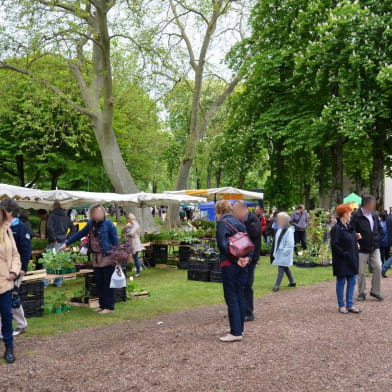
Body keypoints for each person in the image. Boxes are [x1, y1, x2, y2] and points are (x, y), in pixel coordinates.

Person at [59, 204, 118, 314]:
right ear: (92, 214)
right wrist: (66, 243)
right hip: (96, 257)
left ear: (103, 213)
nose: (98, 214)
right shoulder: (91, 224)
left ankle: (109, 307)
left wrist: (117, 256)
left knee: (107, 283)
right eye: (96, 213)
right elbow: (80, 233)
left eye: (100, 212)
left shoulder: (109, 224)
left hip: (107, 257)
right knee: (99, 283)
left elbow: (115, 241)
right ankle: (102, 305)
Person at [216, 200, 251, 343]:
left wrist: (235, 259)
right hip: (243, 264)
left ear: (218, 212)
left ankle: (235, 331)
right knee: (240, 295)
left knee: (231, 297)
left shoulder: (222, 224)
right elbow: (247, 243)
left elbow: (223, 245)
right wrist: (246, 258)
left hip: (230, 263)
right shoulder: (240, 223)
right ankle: (239, 328)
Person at [0, 199, 32, 336]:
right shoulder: (2, 226)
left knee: (13, 297)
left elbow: (26, 251)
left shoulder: (21, 228)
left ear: (9, 212)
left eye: (2, 210)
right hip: (3, 270)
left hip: (16, 269)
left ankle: (21, 323)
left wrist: (22, 268)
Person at [350, 195, 383, 301]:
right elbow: (351, 230)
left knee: (378, 266)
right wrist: (356, 236)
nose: (374, 205)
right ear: (366, 204)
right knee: (361, 271)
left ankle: (375, 291)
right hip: (362, 248)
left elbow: (379, 228)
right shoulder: (356, 215)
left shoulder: (374, 214)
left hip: (374, 246)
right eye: (372, 203)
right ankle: (361, 292)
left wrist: (377, 237)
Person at [233, 200, 261, 322]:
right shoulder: (243, 220)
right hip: (242, 256)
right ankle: (241, 309)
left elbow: (253, 239)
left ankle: (248, 312)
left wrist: (250, 257)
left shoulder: (253, 220)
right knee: (241, 284)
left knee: (247, 284)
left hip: (250, 257)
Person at [0, 206, 21, 363]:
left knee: (7, 316)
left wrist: (14, 272)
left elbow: (15, 254)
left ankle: (9, 347)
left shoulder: (6, 230)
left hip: (5, 281)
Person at [331, 204, 361, 314]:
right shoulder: (336, 228)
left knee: (352, 281)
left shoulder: (349, 227)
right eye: (349, 213)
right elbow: (335, 245)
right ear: (344, 214)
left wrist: (356, 238)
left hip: (352, 258)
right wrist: (344, 254)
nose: (351, 215)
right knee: (341, 282)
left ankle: (350, 304)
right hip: (342, 260)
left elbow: (350, 239)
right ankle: (341, 305)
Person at [271, 212, 296, 292]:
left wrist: (285, 252)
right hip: (280, 252)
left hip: (284, 252)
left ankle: (277, 285)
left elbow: (290, 243)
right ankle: (292, 282)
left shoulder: (289, 230)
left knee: (281, 268)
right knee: (285, 267)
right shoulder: (280, 228)